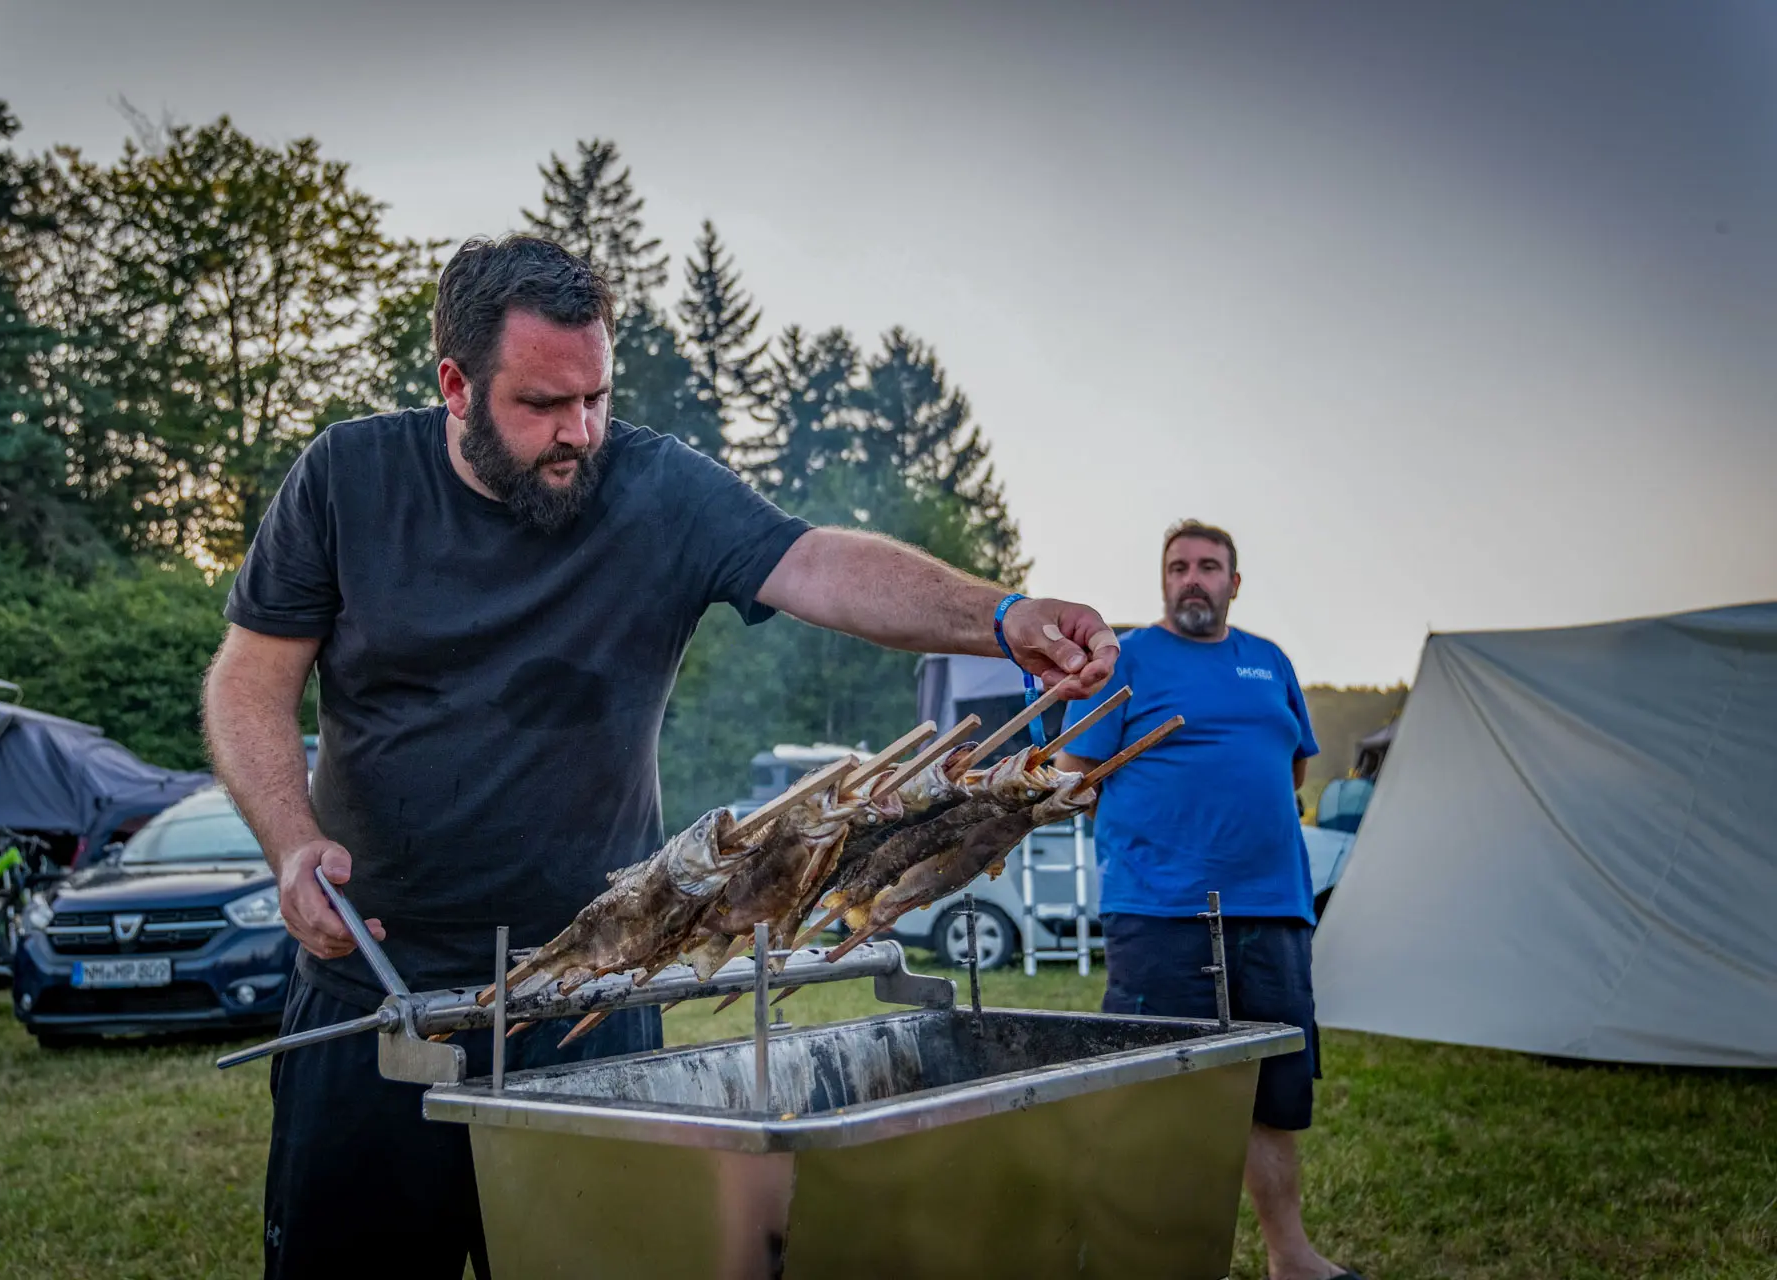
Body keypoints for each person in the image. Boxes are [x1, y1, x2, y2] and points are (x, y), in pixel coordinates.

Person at [200, 233, 1120, 1280]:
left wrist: (1001, 614)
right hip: (372, 992)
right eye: (542, 404)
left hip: (589, 1001)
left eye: (594, 396)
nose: (579, 433)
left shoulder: (656, 485)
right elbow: (248, 681)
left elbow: (816, 563)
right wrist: (289, 842)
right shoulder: (348, 477)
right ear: (454, 383)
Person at [1054, 520, 1360, 1280]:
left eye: (1209, 567)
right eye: (1180, 566)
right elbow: (1073, 776)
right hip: (1162, 911)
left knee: (1272, 1094)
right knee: (1151, 1092)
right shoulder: (1123, 662)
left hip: (1276, 908)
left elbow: (1289, 774)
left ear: (1234, 582)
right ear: (1163, 580)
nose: (1194, 578)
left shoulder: (1270, 662)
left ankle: (1291, 1259)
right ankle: (1137, 1260)